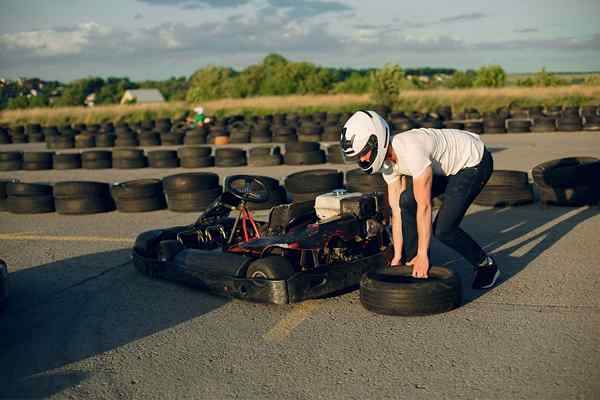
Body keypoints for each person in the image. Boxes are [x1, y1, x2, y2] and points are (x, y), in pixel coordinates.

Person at [340, 110, 500, 289]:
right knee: (406, 201)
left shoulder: (412, 151)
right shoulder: (387, 166)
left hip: (473, 162)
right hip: (445, 167)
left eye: (363, 153)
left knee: (443, 229)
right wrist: (397, 257)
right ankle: (412, 259)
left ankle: (485, 264)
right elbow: (397, 214)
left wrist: (424, 254)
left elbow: (424, 207)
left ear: (376, 142)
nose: (361, 159)